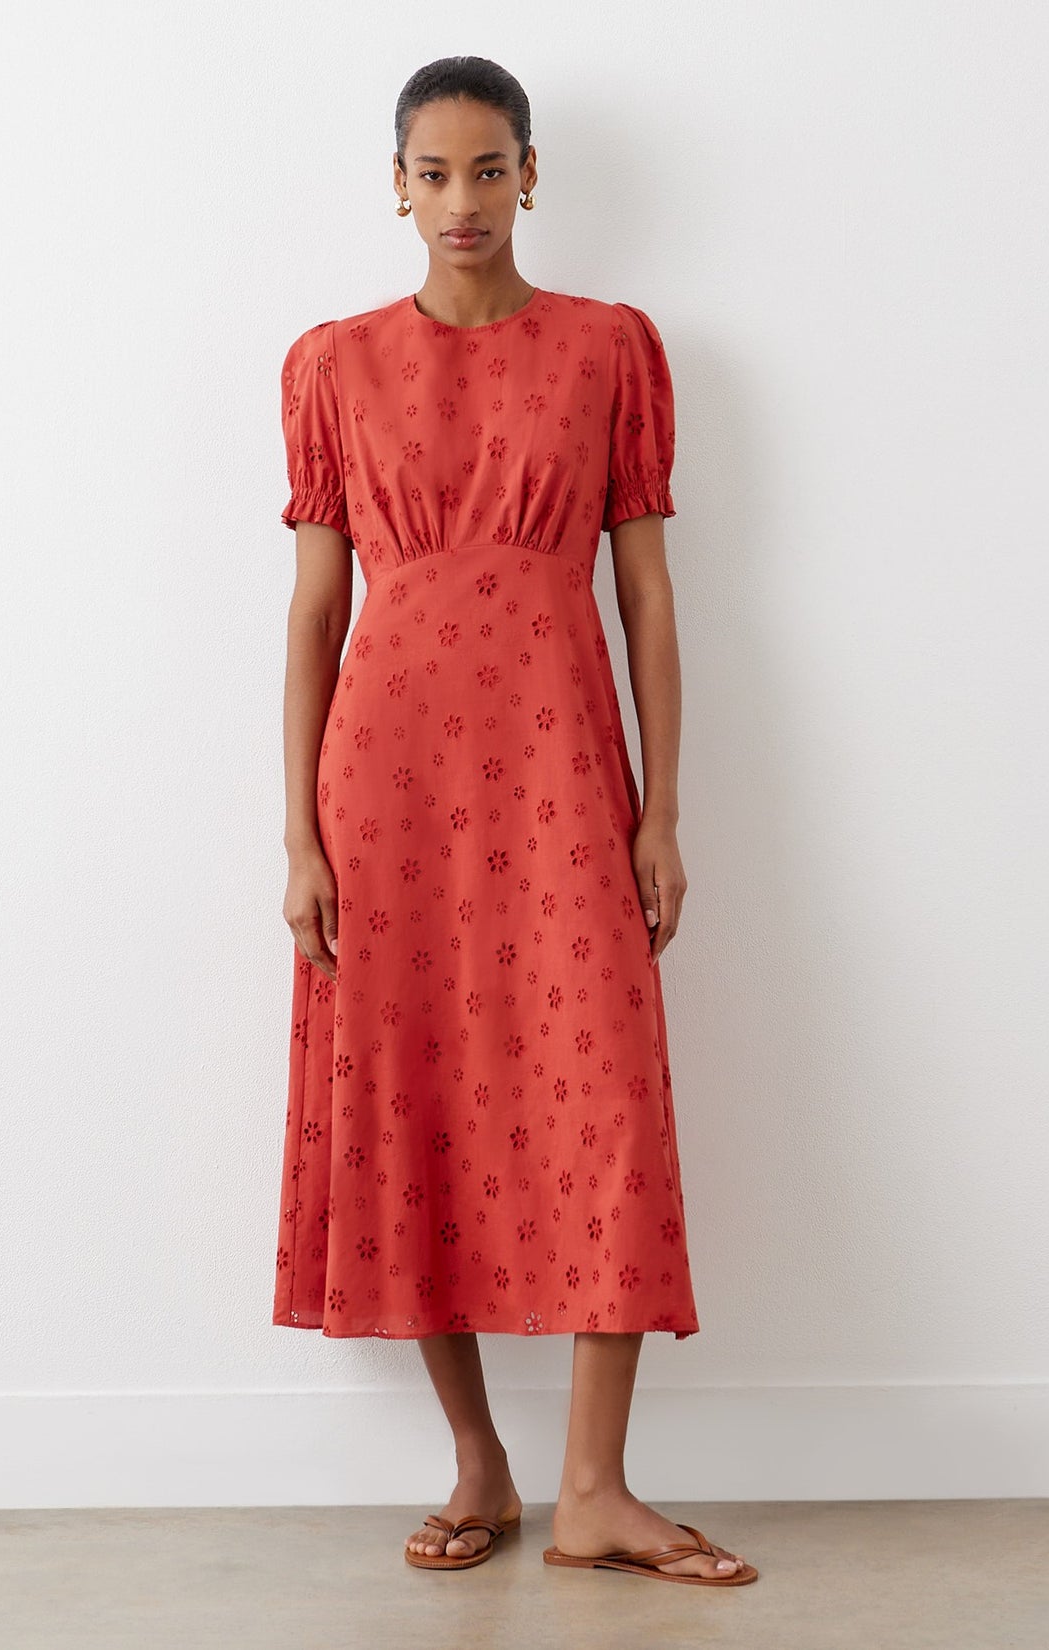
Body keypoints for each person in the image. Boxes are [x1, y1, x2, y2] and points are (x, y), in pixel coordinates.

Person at [273, 55, 756, 1588]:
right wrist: (299, 835)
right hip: (389, 784)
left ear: (531, 176)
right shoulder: (332, 365)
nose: (463, 200)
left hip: (560, 774)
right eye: (434, 173)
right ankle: (480, 1460)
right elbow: (315, 615)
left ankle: (596, 1486)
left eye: (490, 169)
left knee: (603, 1090)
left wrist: (663, 808)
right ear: (396, 187)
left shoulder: (610, 348)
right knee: (412, 1088)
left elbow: (649, 597)